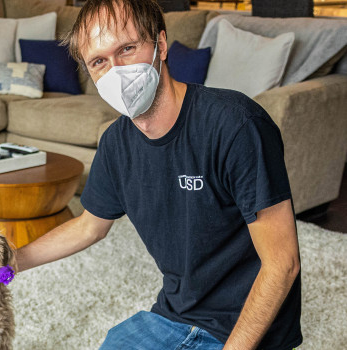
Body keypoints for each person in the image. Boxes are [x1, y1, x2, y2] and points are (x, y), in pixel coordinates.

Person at [16, 0, 302, 349]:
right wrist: (10, 263)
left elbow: (282, 263)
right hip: (173, 316)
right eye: (99, 61)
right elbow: (89, 226)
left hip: (251, 330)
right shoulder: (115, 144)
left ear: (161, 46)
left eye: (127, 49)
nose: (116, 69)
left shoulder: (235, 125)